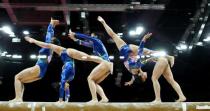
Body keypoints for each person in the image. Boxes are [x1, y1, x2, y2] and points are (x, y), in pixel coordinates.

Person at [98, 16, 186, 103]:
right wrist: (131, 81)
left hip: (128, 50)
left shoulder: (136, 66)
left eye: (144, 78)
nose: (145, 76)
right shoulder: (135, 69)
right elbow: (135, 72)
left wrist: (144, 39)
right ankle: (181, 96)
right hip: (130, 53)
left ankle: (158, 99)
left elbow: (140, 54)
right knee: (170, 80)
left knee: (153, 75)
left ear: (140, 75)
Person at [24, 36, 106, 102]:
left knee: (64, 80)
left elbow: (45, 45)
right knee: (88, 58)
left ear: (53, 43)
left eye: (51, 42)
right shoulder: (56, 51)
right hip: (71, 65)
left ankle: (60, 100)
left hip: (68, 56)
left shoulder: (58, 48)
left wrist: (33, 40)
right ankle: (103, 61)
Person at [9, 18, 59, 102]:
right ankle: (19, 99)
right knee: (20, 80)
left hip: (38, 68)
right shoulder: (51, 50)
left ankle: (17, 98)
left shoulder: (49, 46)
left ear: (52, 41)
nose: (50, 38)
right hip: (41, 73)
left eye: (51, 39)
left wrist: (51, 24)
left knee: (17, 77)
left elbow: (49, 34)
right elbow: (50, 34)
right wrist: (52, 25)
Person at [68, 32, 113, 103]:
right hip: (108, 65)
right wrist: (74, 38)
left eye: (92, 36)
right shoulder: (95, 45)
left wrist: (75, 34)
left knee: (90, 78)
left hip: (105, 63)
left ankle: (94, 99)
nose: (90, 39)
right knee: (94, 82)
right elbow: (82, 43)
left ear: (96, 37)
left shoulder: (97, 41)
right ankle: (104, 98)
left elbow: (87, 37)